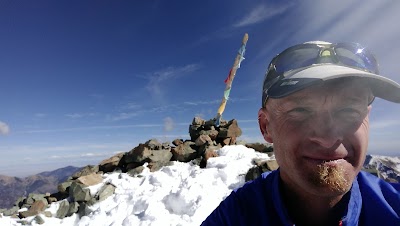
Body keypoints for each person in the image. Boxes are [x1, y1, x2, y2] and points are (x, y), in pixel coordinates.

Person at [201, 41, 400, 225]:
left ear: (367, 117)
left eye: (349, 111)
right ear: (265, 127)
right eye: (300, 111)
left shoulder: (394, 206)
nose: (328, 138)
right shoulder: (236, 216)